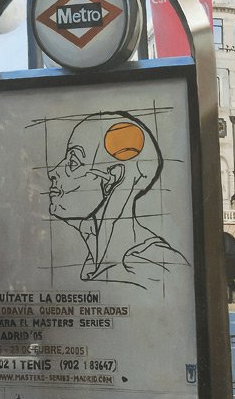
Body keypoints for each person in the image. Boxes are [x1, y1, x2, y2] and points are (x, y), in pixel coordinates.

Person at [47, 112, 188, 290]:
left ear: (112, 178)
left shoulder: (151, 268)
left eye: (73, 162)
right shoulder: (95, 264)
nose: (53, 171)